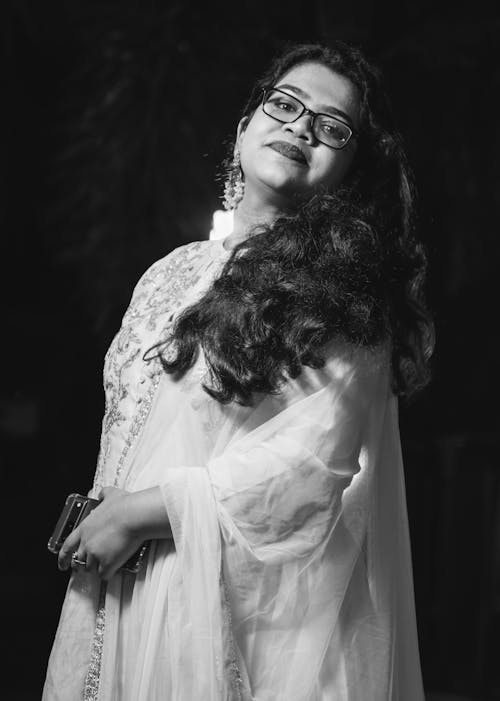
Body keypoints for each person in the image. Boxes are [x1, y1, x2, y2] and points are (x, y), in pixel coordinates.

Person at [43, 40, 434, 701]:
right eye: (284, 104)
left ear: (352, 171)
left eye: (332, 126)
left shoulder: (347, 296)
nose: (300, 126)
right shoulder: (170, 273)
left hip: (241, 623)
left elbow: (312, 466)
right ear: (243, 128)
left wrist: (144, 512)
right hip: (122, 593)